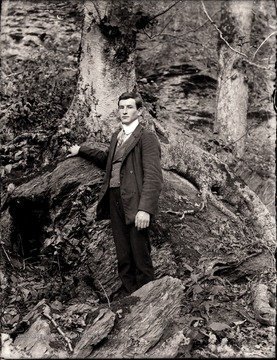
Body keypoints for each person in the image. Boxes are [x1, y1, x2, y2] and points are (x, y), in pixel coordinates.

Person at [68, 92, 163, 295]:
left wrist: (145, 209)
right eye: (121, 107)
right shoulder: (116, 137)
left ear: (139, 111)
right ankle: (132, 299)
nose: (125, 111)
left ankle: (150, 301)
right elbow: (107, 159)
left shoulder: (147, 137)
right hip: (115, 199)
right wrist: (82, 150)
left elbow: (154, 177)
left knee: (140, 254)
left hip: (135, 202)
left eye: (129, 107)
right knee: (123, 255)